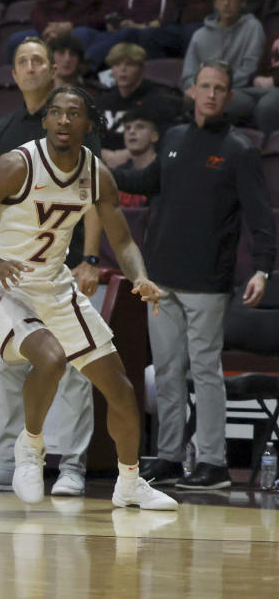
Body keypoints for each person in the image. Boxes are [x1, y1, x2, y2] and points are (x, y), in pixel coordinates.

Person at [0, 87, 177, 510]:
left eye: (74, 114)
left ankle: (129, 483)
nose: (64, 120)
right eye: (56, 113)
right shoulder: (16, 165)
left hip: (53, 284)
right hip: (0, 282)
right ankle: (31, 449)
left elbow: (122, 241)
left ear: (89, 124)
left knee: (121, 390)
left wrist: (139, 276)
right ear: (46, 121)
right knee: (49, 357)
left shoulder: (97, 174)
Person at [113, 61, 275, 488]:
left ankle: (213, 463)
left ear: (228, 96)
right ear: (192, 90)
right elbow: (145, 180)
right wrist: (100, 172)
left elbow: (261, 216)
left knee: (204, 371)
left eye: (219, 88)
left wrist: (262, 267)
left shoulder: (239, 150)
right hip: (160, 278)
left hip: (207, 282)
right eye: (204, 86)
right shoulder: (174, 138)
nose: (211, 94)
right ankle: (168, 456)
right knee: (165, 370)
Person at [0, 38, 101, 498]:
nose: (30, 68)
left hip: (64, 266)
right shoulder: (4, 128)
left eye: (37, 60)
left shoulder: (74, 117)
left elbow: (98, 197)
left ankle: (73, 466)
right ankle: (8, 463)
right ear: (14, 73)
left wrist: (91, 258)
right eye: (21, 61)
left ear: (52, 70)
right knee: (12, 363)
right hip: (17, 270)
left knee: (76, 367)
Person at [181, 0, 266, 121]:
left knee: (228, 102)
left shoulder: (252, 27)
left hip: (237, 91)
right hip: (204, 91)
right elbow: (188, 75)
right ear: (215, 3)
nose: (226, 3)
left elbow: (249, 69)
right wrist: (199, 89)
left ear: (243, 3)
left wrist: (218, 87)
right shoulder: (200, 35)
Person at [97, 43, 184, 166]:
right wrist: (103, 153)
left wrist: (129, 154)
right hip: (104, 164)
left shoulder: (158, 101)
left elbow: (166, 141)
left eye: (129, 64)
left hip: (142, 165)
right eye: (117, 64)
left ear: (141, 68)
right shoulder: (104, 100)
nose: (123, 70)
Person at [111, 108, 161, 209]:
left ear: (154, 136)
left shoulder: (162, 172)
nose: (132, 131)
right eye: (127, 128)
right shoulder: (120, 172)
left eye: (140, 127)